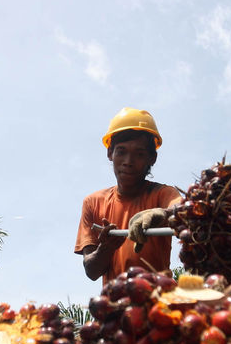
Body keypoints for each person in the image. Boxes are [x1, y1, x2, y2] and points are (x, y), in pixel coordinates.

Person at [74, 107, 181, 284]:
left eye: (139, 154)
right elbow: (91, 271)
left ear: (152, 158)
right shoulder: (93, 203)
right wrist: (106, 248)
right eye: (121, 152)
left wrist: (164, 214)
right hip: (115, 300)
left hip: (160, 299)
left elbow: (182, 208)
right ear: (110, 153)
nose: (128, 162)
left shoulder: (162, 194)